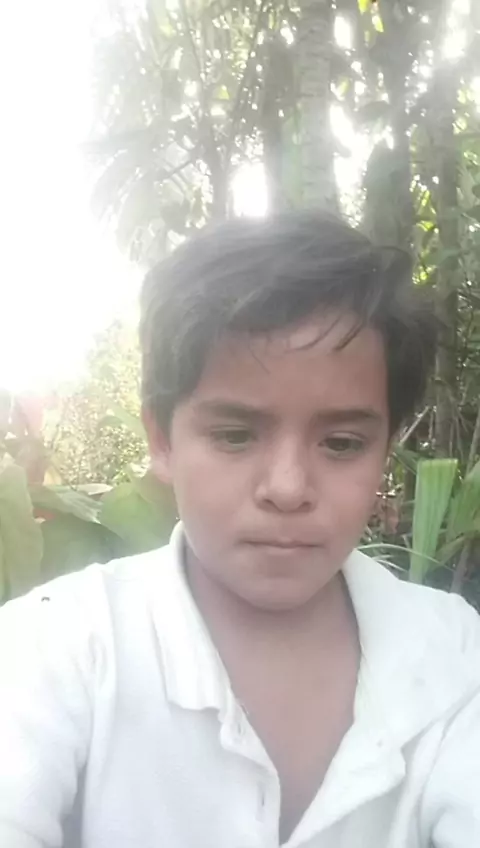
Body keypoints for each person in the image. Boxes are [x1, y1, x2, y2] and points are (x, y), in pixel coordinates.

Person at [1, 211, 480, 848]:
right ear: (162, 440)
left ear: (385, 448)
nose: (287, 487)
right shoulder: (56, 648)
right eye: (234, 436)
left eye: (341, 443)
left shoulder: (455, 657)